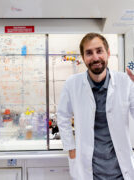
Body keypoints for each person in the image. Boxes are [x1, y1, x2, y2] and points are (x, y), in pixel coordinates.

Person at [57, 33, 134, 180]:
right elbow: (63, 116)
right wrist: (71, 149)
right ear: (83, 57)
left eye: (99, 51)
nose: (95, 57)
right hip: (89, 172)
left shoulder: (126, 82)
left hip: (121, 171)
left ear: (108, 53)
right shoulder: (72, 84)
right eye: (89, 53)